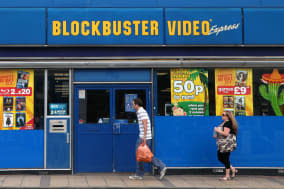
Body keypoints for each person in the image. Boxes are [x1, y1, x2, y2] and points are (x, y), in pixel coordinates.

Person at [129, 98, 167, 180]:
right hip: (144, 137)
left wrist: (144, 138)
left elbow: (145, 124)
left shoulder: (141, 112)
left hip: (143, 138)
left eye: (133, 104)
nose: (132, 106)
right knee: (143, 155)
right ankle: (159, 167)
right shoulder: (140, 111)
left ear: (136, 104)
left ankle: (160, 166)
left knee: (142, 155)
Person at [214, 111, 238, 181]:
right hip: (224, 144)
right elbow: (220, 128)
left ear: (228, 116)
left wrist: (217, 130)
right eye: (222, 114)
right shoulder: (225, 123)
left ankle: (227, 176)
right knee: (220, 157)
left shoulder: (228, 123)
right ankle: (232, 169)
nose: (222, 116)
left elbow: (226, 134)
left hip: (226, 144)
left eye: (223, 115)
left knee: (225, 158)